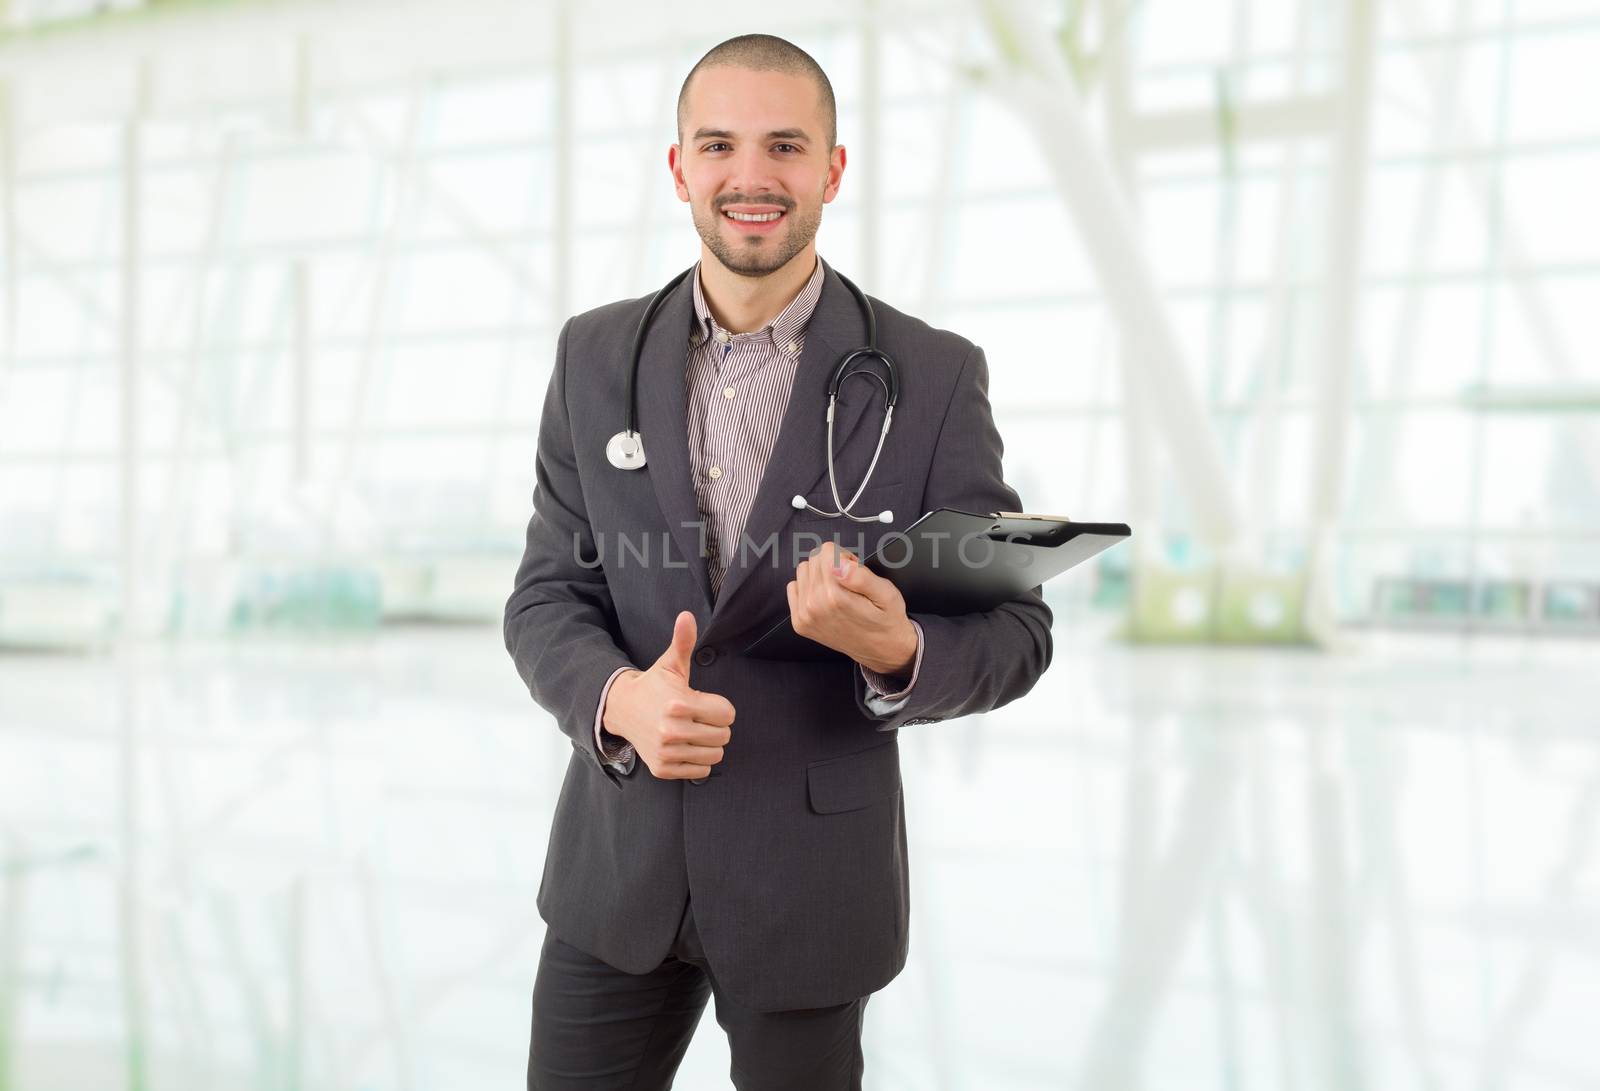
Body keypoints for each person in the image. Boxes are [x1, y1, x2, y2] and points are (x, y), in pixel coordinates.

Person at [504, 33, 1052, 1091]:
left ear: (833, 169)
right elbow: (545, 594)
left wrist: (897, 649)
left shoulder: (931, 376)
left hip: (806, 886)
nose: (750, 177)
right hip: (613, 880)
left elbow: (1016, 634)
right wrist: (617, 697)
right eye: (718, 145)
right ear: (679, 168)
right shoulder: (593, 355)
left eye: (785, 147)